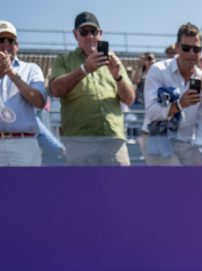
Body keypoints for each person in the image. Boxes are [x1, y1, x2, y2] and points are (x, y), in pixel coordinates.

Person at [49, 12, 135, 165]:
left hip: (113, 141)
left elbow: (129, 99)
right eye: (84, 32)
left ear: (100, 34)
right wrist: (84, 69)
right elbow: (55, 89)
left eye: (93, 32)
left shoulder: (114, 61)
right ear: (76, 35)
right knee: (82, 188)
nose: (89, 36)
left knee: (120, 188)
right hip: (79, 142)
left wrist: (118, 76)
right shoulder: (63, 60)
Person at [142, 22, 202, 165]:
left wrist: (199, 149)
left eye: (196, 49)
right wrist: (179, 105)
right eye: (186, 48)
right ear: (177, 47)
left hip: (186, 144)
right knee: (175, 180)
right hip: (158, 139)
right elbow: (152, 113)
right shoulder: (158, 70)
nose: (192, 53)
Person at [0, 20, 46, 166]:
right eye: (1, 40)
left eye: (10, 40)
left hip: (24, 143)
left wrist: (11, 73)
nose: (6, 44)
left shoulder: (31, 69)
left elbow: (39, 101)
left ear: (17, 46)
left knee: (27, 188)